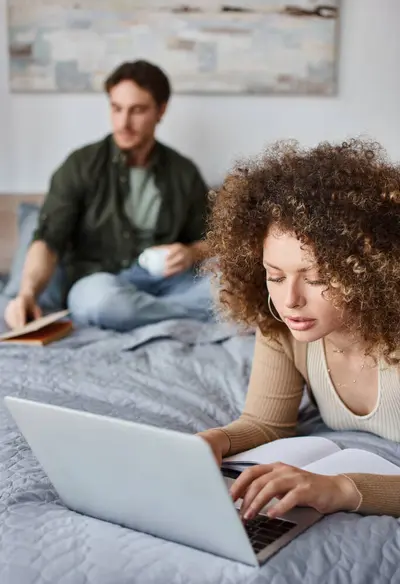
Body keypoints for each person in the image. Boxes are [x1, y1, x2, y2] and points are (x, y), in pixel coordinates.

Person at [198, 139, 400, 519]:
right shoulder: (283, 324)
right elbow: (265, 423)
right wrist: (216, 441)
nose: (290, 299)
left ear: (368, 270)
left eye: (318, 277)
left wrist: (340, 488)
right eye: (274, 275)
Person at [4, 60, 212, 331]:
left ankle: (147, 312)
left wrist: (190, 252)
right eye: (116, 109)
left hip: (165, 283)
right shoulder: (80, 165)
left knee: (230, 289)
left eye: (137, 110)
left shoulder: (183, 172)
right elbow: (48, 239)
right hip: (100, 283)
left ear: (161, 110)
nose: (123, 123)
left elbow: (213, 240)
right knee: (101, 302)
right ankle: (188, 315)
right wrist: (27, 294)